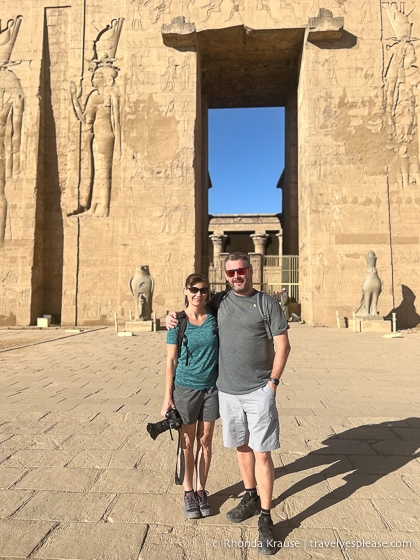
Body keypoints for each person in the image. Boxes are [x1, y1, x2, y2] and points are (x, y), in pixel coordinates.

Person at [166, 253, 291, 555]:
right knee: (242, 447)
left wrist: (272, 383)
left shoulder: (267, 303)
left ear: (250, 271)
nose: (236, 276)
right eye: (231, 272)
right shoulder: (219, 301)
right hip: (227, 392)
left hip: (259, 389)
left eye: (241, 271)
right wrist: (170, 316)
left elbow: (283, 345)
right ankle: (249, 494)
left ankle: (265, 515)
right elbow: (190, 309)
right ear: (226, 276)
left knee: (262, 452)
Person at [161, 273, 219, 520]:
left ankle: (201, 489)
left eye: (203, 290)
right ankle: (188, 492)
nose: (198, 294)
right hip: (185, 389)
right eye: (194, 289)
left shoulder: (214, 318)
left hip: (211, 388)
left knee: (205, 441)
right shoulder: (178, 322)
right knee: (187, 441)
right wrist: (167, 397)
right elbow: (170, 360)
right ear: (185, 290)